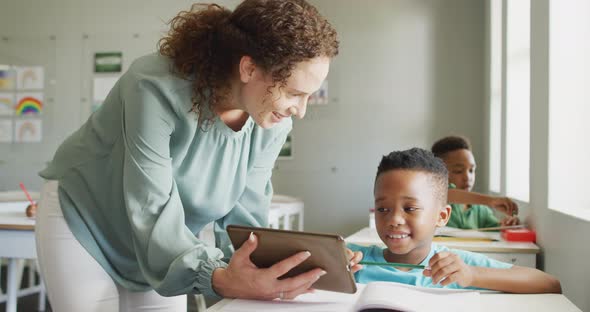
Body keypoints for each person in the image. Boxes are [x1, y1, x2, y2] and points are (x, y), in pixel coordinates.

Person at [35, 1, 361, 311]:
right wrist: (217, 277)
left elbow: (246, 220)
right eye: (293, 93)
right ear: (249, 68)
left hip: (164, 243)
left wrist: (307, 261)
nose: (299, 112)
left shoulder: (272, 122)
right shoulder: (153, 86)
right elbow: (151, 205)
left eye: (308, 97)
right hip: (88, 224)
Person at [348, 148, 561, 293]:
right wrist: (328, 265)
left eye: (410, 208)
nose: (393, 219)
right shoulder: (353, 260)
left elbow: (549, 284)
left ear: (441, 216)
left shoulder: (456, 266)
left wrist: (473, 275)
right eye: (382, 208)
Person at [432, 136, 520, 229]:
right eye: (458, 171)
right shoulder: (435, 200)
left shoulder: (481, 210)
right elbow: (446, 194)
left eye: (471, 170)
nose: (467, 177)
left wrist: (507, 225)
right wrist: (491, 201)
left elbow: (495, 229)